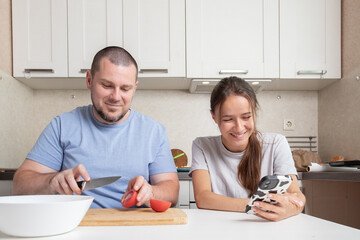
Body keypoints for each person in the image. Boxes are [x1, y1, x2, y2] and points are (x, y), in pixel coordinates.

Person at [13, 46, 179, 208]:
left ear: (134, 88)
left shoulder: (153, 131)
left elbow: (172, 191)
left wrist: (151, 192)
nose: (116, 96)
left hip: (133, 227)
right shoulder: (62, 126)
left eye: (125, 88)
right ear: (89, 80)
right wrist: (51, 182)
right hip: (75, 226)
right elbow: (19, 187)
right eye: (107, 85)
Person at [190, 76, 305, 221]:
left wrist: (291, 208)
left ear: (254, 113)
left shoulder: (276, 143)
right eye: (228, 119)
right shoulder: (202, 146)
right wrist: (258, 205)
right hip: (219, 228)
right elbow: (203, 198)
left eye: (246, 117)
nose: (239, 128)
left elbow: (296, 195)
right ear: (214, 117)